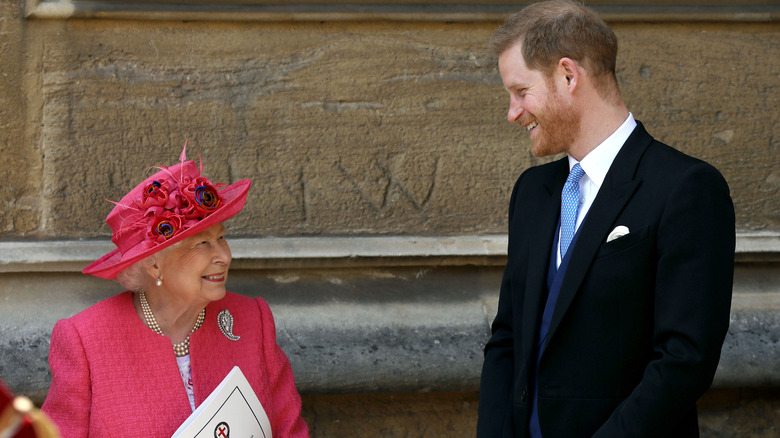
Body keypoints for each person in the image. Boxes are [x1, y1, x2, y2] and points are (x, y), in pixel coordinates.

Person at [477, 1, 735, 437]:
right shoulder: (533, 193)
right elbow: (507, 341)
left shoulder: (686, 188)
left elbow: (683, 361)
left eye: (521, 92)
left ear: (567, 75)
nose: (512, 112)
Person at [42, 146, 309, 437]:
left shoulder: (252, 320)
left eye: (221, 237)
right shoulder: (85, 340)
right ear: (154, 265)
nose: (224, 256)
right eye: (202, 244)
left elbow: (290, 431)